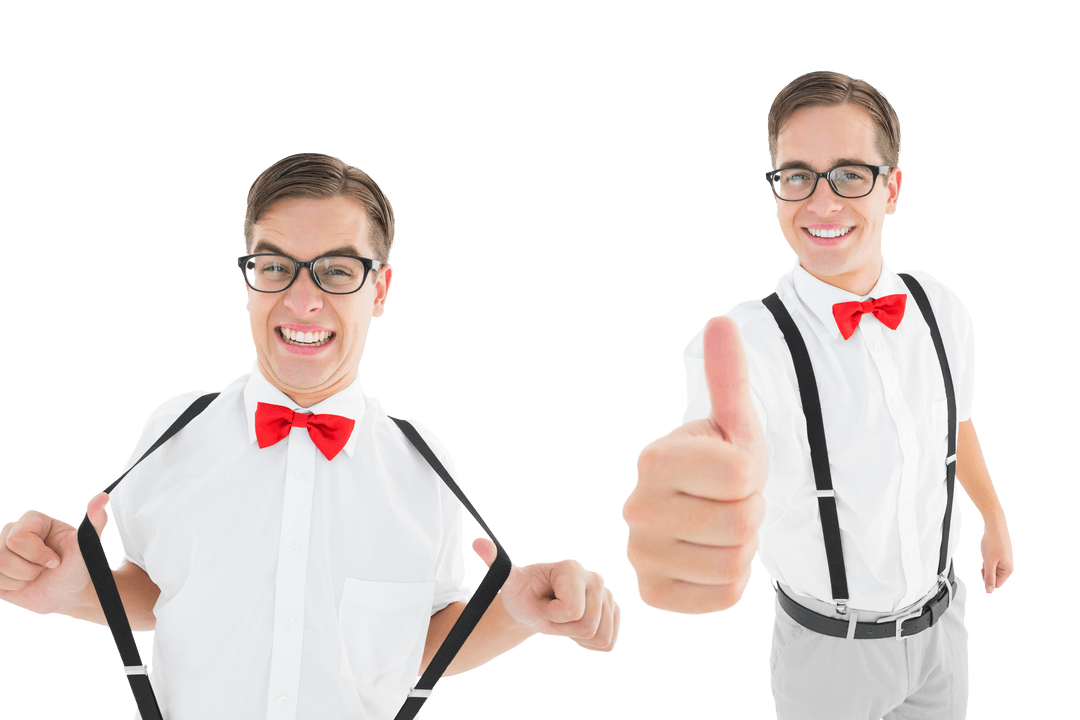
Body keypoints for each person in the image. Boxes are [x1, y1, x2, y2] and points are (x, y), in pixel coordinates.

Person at [0, 153, 620, 719]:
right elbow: (163, 591)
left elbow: (418, 642)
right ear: (249, 280)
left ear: (379, 290)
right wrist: (74, 589)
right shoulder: (174, 430)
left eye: (337, 271)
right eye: (275, 267)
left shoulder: (423, 464)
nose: (302, 301)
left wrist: (517, 613)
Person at [622, 71, 1013, 719]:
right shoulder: (746, 344)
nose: (822, 202)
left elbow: (955, 424)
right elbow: (713, 455)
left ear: (892, 188)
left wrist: (993, 519)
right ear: (776, 190)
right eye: (798, 175)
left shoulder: (941, 308)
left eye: (850, 174)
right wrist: (696, 505)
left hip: (943, 630)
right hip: (831, 658)